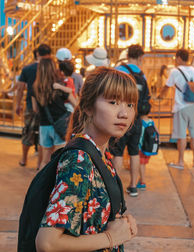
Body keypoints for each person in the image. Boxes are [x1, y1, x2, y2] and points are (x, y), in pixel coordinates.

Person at [36, 67, 138, 252]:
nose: (124, 113)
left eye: (130, 105)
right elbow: (47, 243)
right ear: (88, 107)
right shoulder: (79, 160)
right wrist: (111, 237)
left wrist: (121, 224)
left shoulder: (99, 153)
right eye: (113, 102)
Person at [109, 45, 151, 197]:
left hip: (121, 117)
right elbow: (147, 95)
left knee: (117, 152)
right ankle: (133, 186)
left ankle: (114, 187)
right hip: (137, 117)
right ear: (140, 57)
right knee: (134, 152)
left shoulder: (119, 70)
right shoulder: (142, 74)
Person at [158, 49, 194, 169]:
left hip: (181, 107)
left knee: (181, 136)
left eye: (176, 58)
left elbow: (167, 86)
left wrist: (160, 96)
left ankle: (180, 162)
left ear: (179, 58)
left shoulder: (175, 72)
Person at [32, 58, 77, 170]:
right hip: (60, 126)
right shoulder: (59, 86)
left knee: (45, 161)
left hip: (44, 126)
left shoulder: (35, 88)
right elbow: (76, 105)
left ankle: (41, 186)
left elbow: (35, 109)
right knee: (60, 161)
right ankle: (57, 187)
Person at [16, 44, 51, 168]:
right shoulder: (51, 68)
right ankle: (39, 164)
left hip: (31, 105)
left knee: (27, 131)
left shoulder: (27, 69)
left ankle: (24, 159)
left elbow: (20, 89)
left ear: (37, 53)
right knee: (43, 136)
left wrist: (18, 104)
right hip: (47, 107)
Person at [137, 103, 157, 190]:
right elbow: (157, 132)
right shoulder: (151, 121)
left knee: (140, 164)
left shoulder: (139, 122)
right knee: (143, 164)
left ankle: (142, 182)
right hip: (148, 147)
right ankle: (141, 179)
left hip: (140, 147)